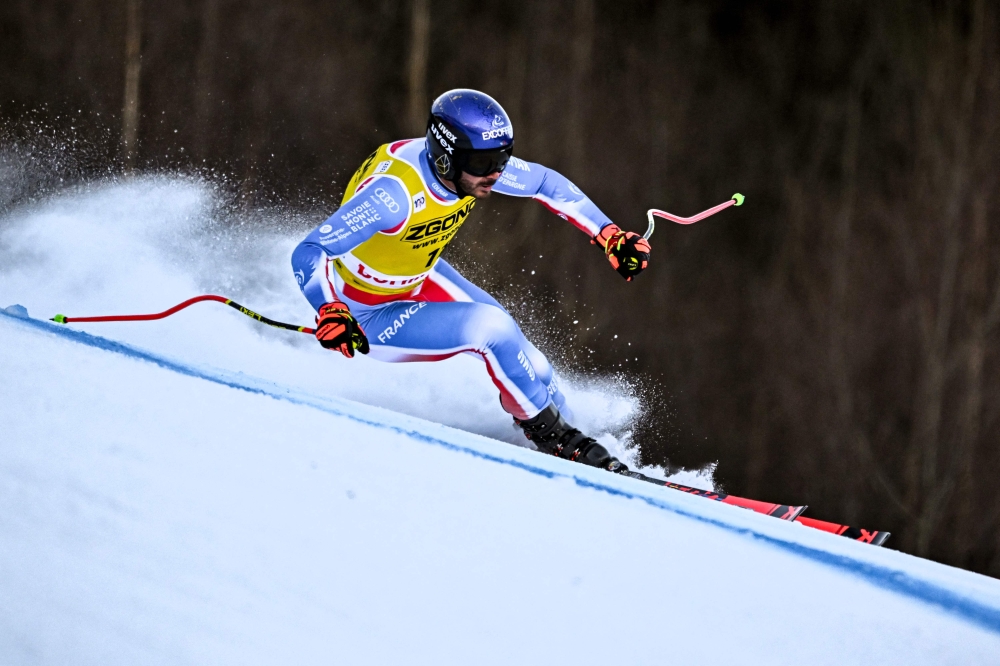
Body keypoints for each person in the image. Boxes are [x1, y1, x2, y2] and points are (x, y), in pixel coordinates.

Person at [291, 89, 651, 473]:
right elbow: (309, 251)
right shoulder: (392, 196)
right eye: (484, 163)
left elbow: (545, 183)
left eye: (502, 158)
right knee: (491, 330)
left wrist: (609, 235)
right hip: (366, 312)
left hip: (417, 277)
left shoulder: (472, 167)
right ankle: (556, 440)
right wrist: (331, 310)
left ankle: (581, 440)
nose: (496, 173)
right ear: (446, 157)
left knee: (532, 363)